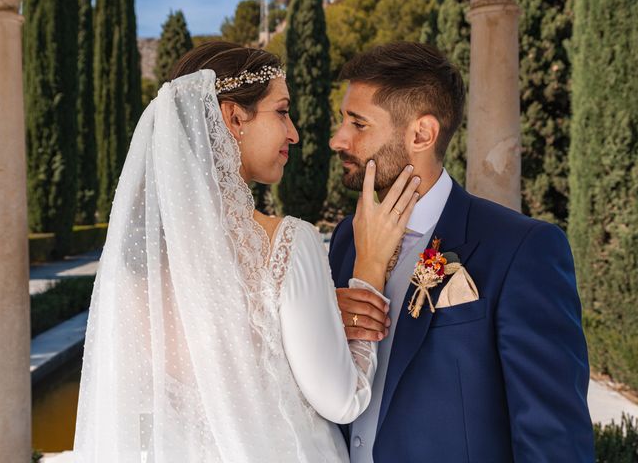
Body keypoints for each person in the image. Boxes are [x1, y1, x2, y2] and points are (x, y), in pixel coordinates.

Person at [72, 42, 420, 462]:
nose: (293, 131)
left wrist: (322, 309)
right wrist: (370, 266)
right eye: (281, 111)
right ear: (234, 117)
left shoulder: (133, 266)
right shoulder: (286, 242)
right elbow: (343, 400)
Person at [328, 42, 595, 462]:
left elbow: (554, 436)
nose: (337, 139)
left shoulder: (521, 249)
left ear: (422, 133)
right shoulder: (346, 239)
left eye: (358, 124)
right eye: (342, 121)